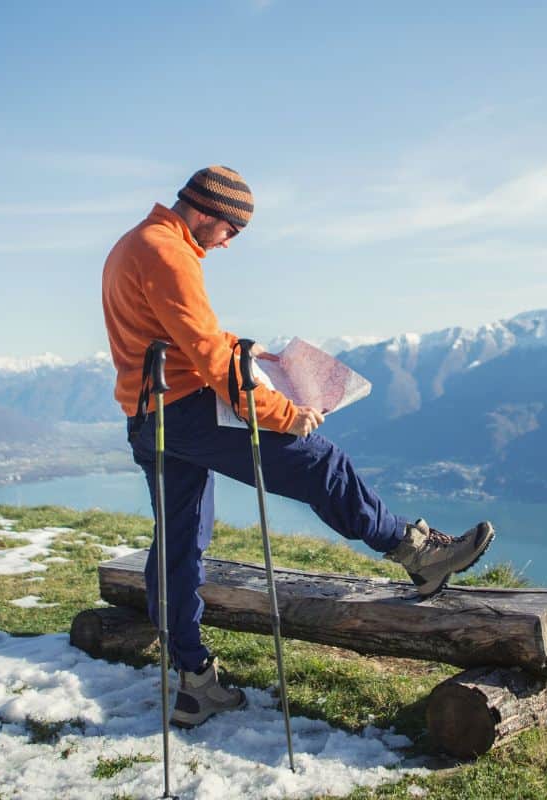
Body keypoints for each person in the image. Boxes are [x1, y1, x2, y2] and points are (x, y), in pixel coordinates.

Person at [102, 165, 494, 728]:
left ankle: (194, 679)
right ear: (210, 214)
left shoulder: (135, 243)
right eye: (232, 230)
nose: (230, 242)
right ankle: (416, 552)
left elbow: (175, 334)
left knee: (181, 540)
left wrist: (245, 347)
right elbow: (209, 359)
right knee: (320, 462)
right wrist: (286, 415)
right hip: (188, 412)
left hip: (149, 415)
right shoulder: (170, 254)